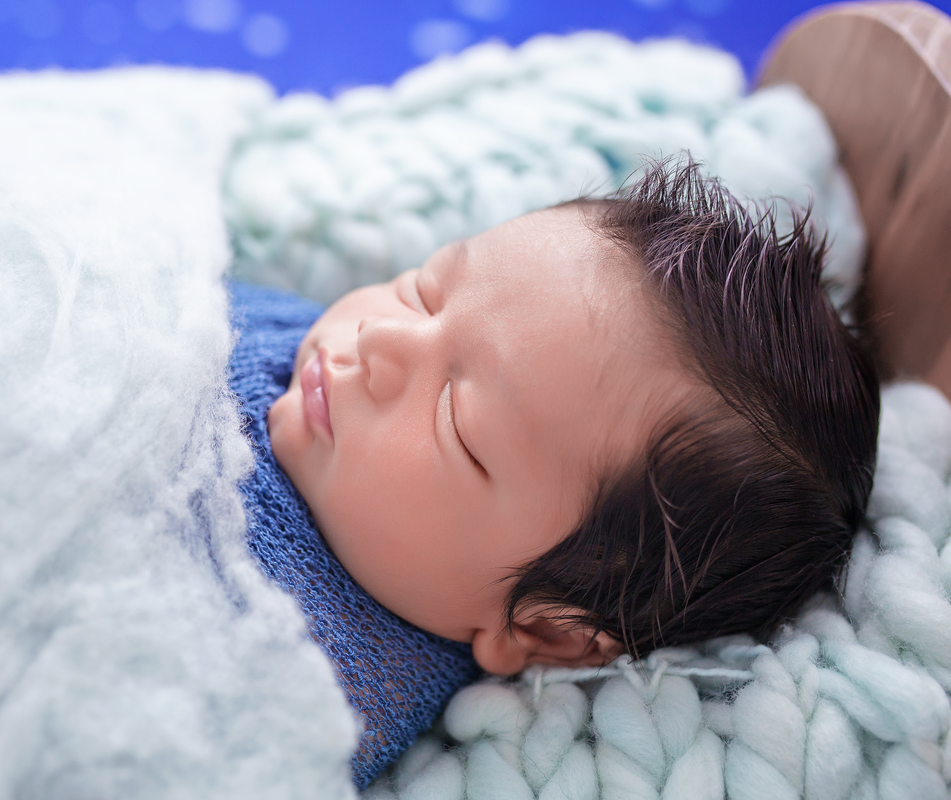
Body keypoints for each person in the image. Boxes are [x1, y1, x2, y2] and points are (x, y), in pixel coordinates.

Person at [227, 156, 879, 785]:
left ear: (543, 629)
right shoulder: (293, 336)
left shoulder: (312, 692)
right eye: (423, 291)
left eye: (456, 423)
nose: (379, 339)